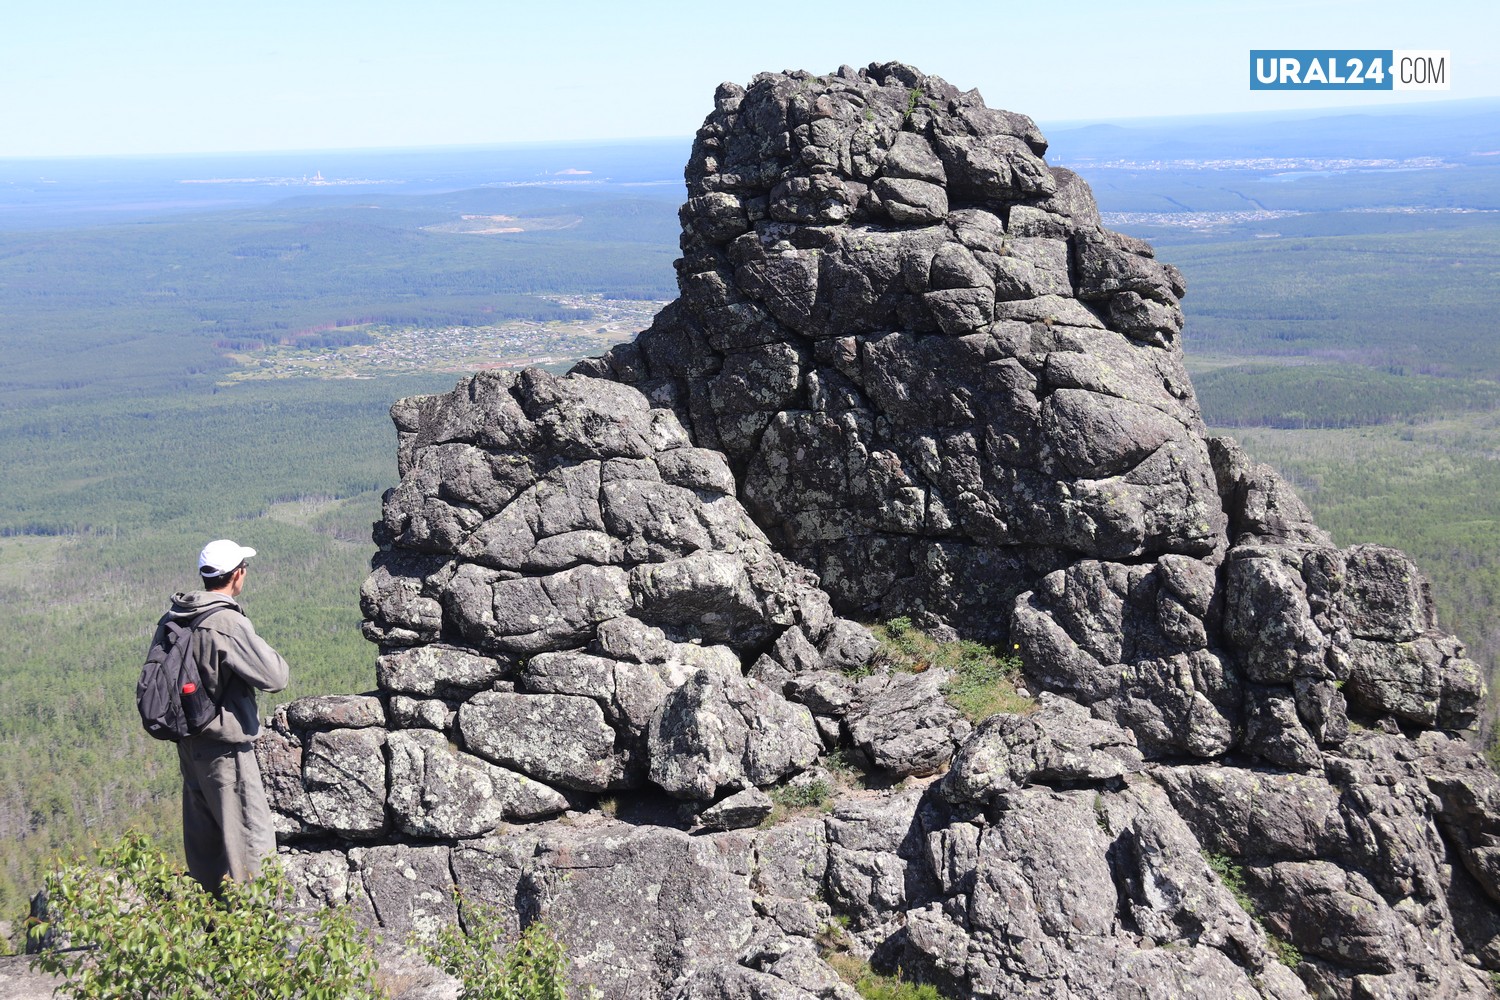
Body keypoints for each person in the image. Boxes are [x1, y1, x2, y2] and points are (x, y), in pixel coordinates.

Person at [150, 538, 289, 894]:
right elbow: (275, 677)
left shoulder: (175, 616)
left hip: (189, 745)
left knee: (206, 849)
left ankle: (209, 920)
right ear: (237, 575)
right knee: (250, 846)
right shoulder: (226, 621)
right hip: (225, 753)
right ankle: (256, 923)